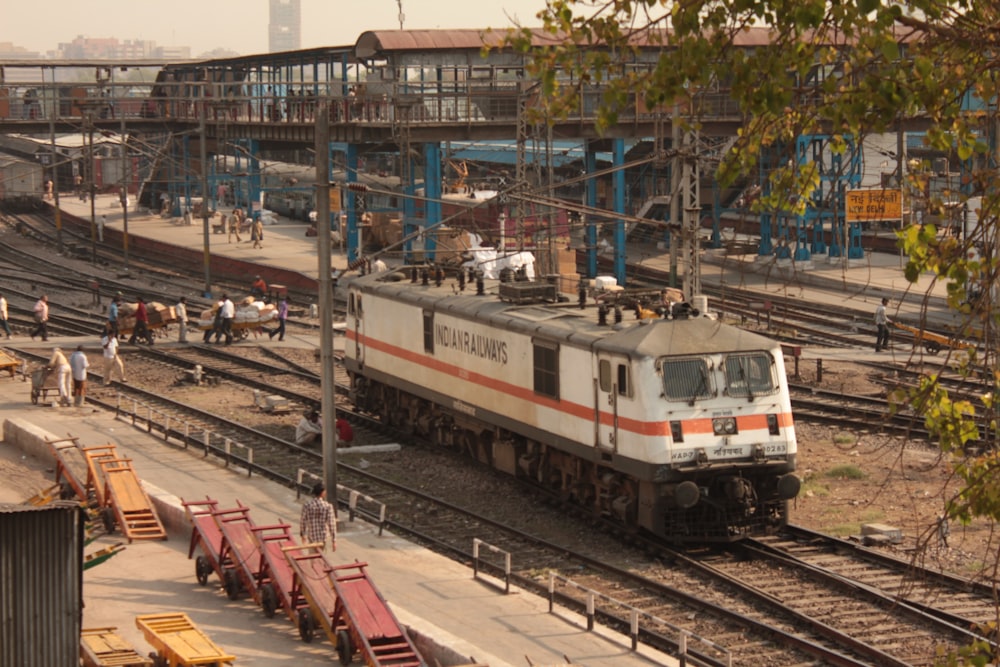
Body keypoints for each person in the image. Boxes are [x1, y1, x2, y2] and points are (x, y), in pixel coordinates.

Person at [300, 482, 337, 552]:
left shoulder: (307, 506)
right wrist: (334, 541)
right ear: (322, 493)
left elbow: (303, 521)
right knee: (323, 560)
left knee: (312, 559)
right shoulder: (328, 506)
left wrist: (303, 534)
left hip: (312, 537)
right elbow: (332, 524)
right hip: (323, 539)